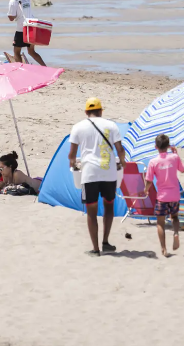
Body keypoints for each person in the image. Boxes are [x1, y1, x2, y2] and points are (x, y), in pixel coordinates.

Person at [68, 97, 128, 256]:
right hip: (109, 173)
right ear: (101, 111)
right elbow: (120, 150)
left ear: (86, 112)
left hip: (89, 174)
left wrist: (73, 165)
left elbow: (72, 154)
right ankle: (106, 242)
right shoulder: (111, 125)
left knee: (91, 211)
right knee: (109, 206)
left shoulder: (78, 127)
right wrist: (122, 163)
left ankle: (95, 249)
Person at [141, 134, 184, 257]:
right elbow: (182, 170)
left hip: (162, 196)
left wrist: (146, 190)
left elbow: (149, 180)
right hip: (175, 194)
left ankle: (164, 249)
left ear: (156, 147)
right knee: (175, 217)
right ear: (168, 146)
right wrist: (176, 154)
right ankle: (176, 233)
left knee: (160, 223)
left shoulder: (153, 162)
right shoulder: (174, 158)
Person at [7, 0, 47, 66]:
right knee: (31, 51)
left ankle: (20, 69)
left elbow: (11, 18)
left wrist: (10, 15)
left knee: (16, 52)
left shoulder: (13, 1)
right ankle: (45, 67)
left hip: (21, 29)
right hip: (31, 26)